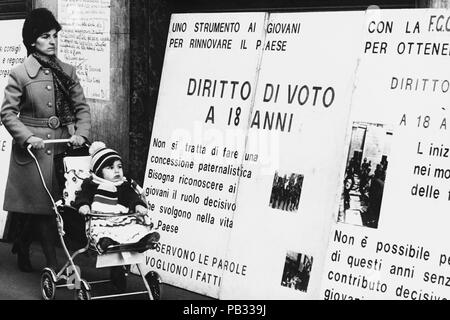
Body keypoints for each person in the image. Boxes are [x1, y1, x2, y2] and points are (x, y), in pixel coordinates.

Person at [1, 8, 91, 272]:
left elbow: (82, 108)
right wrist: (28, 137)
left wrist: (81, 134)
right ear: (32, 40)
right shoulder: (19, 74)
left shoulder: (67, 72)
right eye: (45, 36)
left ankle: (21, 241)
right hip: (34, 152)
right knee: (43, 209)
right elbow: (7, 113)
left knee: (54, 206)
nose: (52, 41)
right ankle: (53, 265)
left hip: (62, 147)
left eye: (54, 36)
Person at [73, 142, 160, 291]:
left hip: (121, 220)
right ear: (99, 171)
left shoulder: (123, 185)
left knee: (134, 227)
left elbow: (131, 197)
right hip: (101, 219)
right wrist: (83, 205)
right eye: (110, 167)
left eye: (119, 166)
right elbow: (83, 196)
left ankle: (141, 241)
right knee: (103, 231)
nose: (117, 171)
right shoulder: (91, 184)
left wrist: (138, 204)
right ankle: (104, 241)